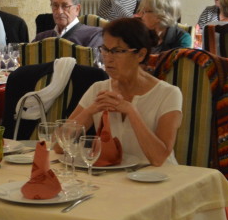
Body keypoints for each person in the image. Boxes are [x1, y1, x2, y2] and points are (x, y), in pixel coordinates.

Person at [68, 17, 181, 166]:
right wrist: (89, 111)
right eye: (105, 50)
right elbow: (58, 145)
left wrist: (131, 111)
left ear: (140, 55)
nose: (108, 58)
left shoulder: (168, 94)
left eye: (117, 51)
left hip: (159, 179)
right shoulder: (98, 89)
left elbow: (159, 158)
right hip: (115, 178)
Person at [32, 0, 102, 47]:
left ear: (77, 9)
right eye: (55, 6)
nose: (59, 11)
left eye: (65, 6)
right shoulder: (41, 38)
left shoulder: (93, 35)